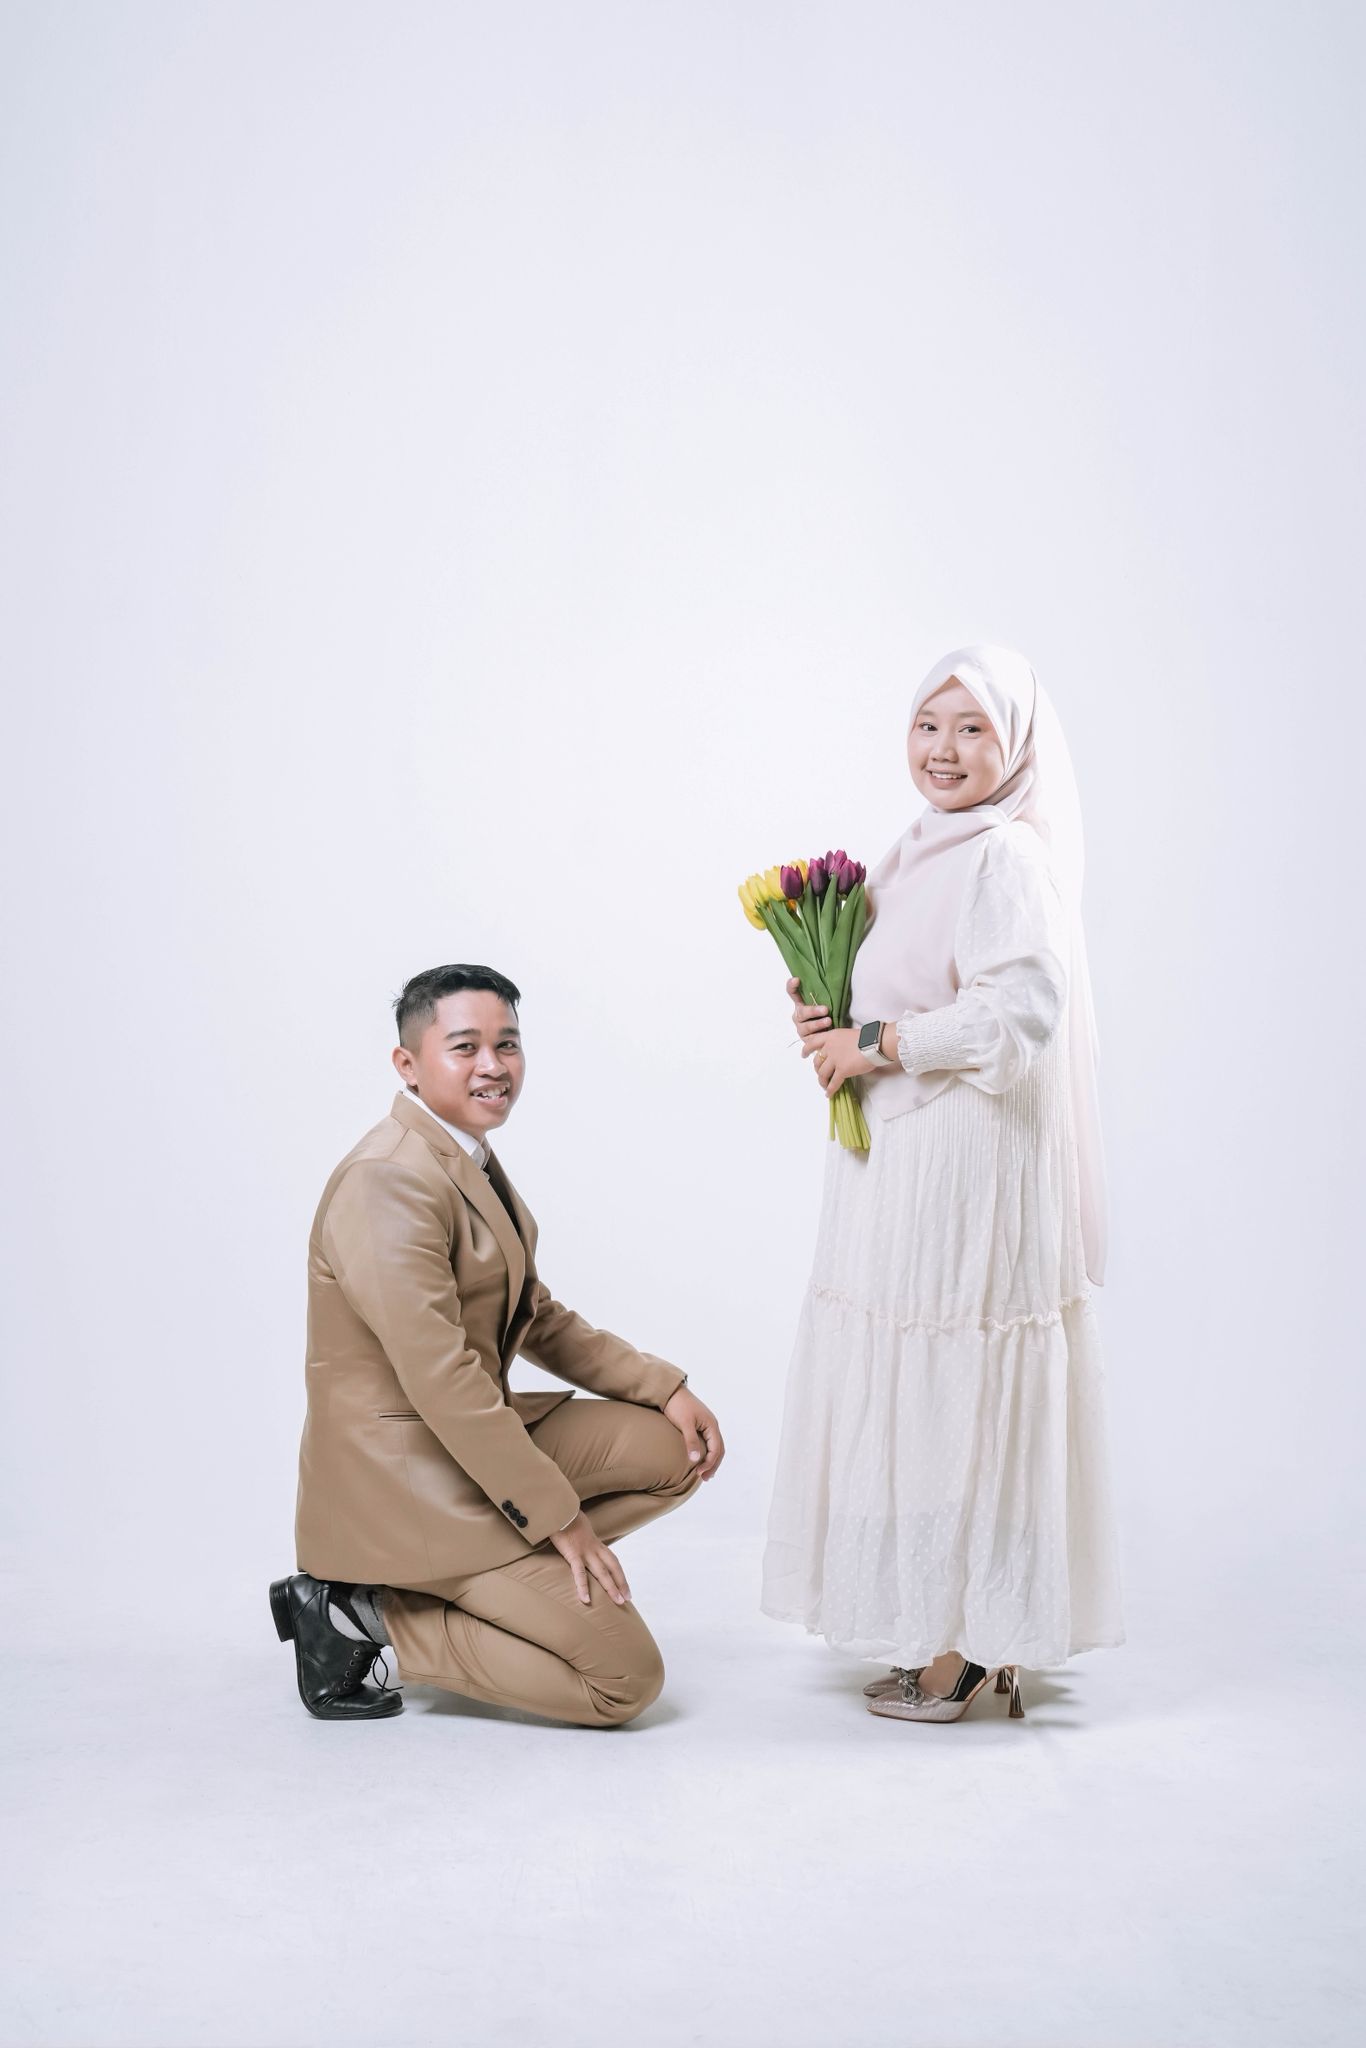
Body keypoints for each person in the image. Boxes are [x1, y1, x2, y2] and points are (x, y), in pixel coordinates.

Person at [760, 645, 1123, 1723]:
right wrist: (827, 1012)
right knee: (918, 1390)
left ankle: (967, 1646)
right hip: (901, 1164)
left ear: (1015, 746)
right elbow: (904, 984)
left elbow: (1017, 1014)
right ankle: (956, 1627)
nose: (945, 750)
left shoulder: (1005, 856)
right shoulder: (917, 848)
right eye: (929, 724)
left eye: (973, 729)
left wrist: (875, 1041)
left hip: (968, 1170)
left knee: (956, 1385)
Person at [272, 963, 724, 1726]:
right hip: (413, 1485)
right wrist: (559, 1520)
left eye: (507, 1044)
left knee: (675, 1449)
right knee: (625, 1683)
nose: (493, 1065)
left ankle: (503, 1573)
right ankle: (362, 1613)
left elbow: (535, 1315)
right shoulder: (386, 1179)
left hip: (471, 1447)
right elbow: (442, 1378)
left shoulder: (463, 1155)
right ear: (407, 1064)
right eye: (465, 1047)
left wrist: (663, 1387)